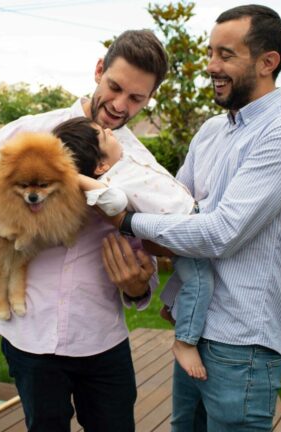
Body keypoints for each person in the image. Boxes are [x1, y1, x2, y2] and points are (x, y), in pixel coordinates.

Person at [107, 5, 281, 431]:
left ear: (268, 63)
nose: (211, 66)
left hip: (243, 340)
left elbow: (218, 234)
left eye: (225, 55)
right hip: (194, 326)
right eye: (211, 53)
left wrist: (127, 222)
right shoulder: (211, 131)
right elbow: (172, 208)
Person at [0, 30, 168, 432]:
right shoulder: (24, 134)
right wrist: (24, 225)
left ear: (149, 99)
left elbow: (144, 246)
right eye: (114, 87)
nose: (118, 105)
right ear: (99, 70)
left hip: (101, 336)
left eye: (136, 98)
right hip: (30, 334)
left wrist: (137, 286)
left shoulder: (139, 166)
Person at [53, 116, 214, 380]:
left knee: (196, 276)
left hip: (192, 217)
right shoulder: (111, 184)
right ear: (101, 164)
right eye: (105, 136)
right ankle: (185, 341)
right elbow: (113, 203)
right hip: (181, 235)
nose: (109, 131)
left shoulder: (126, 161)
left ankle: (173, 308)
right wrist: (77, 179)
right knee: (201, 283)